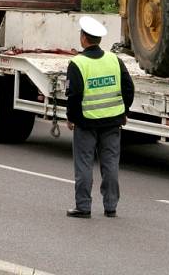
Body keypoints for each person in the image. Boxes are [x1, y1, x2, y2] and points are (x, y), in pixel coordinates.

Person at [65, 16, 134, 218]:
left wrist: (71, 118)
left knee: (84, 164)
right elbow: (129, 88)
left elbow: (74, 96)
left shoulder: (77, 63)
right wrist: (124, 112)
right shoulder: (115, 60)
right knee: (110, 164)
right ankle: (110, 206)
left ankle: (83, 207)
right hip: (113, 121)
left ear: (84, 39)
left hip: (86, 123)